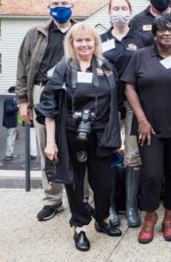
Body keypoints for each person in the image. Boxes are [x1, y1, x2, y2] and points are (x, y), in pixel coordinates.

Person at [35, 23, 123, 252]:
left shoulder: (107, 67)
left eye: (88, 40)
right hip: (71, 134)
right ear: (71, 44)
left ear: (95, 42)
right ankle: (80, 227)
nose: (84, 44)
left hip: (102, 134)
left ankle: (101, 219)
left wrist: (118, 134)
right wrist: (51, 142)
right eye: (79, 40)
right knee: (74, 183)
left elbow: (117, 103)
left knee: (104, 183)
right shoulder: (63, 69)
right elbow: (49, 107)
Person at [122, 14, 171, 243]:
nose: (167, 34)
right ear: (154, 33)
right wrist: (142, 120)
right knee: (151, 175)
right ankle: (149, 217)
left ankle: (169, 219)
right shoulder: (140, 56)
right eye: (162, 30)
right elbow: (129, 87)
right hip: (149, 130)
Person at [16, 0, 84, 221]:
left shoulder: (80, 32)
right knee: (48, 146)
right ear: (48, 8)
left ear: (73, 7)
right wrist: (23, 101)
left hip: (75, 91)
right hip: (43, 91)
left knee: (79, 144)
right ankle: (53, 200)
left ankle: (83, 197)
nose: (60, 7)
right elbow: (23, 68)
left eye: (65, 2)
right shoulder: (36, 33)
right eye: (55, 3)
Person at [100, 0, 153, 228]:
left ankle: (131, 206)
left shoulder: (142, 39)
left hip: (134, 104)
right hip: (107, 105)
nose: (119, 12)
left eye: (124, 7)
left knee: (133, 154)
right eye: (115, 8)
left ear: (131, 12)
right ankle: (110, 206)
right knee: (107, 152)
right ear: (109, 12)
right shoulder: (99, 40)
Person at [3, 86, 19, 160]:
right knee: (10, 138)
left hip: (12, 122)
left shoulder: (12, 99)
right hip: (10, 122)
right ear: (12, 91)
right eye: (16, 90)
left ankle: (10, 153)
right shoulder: (8, 99)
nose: (17, 92)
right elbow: (8, 110)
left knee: (12, 138)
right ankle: (8, 154)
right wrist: (17, 107)